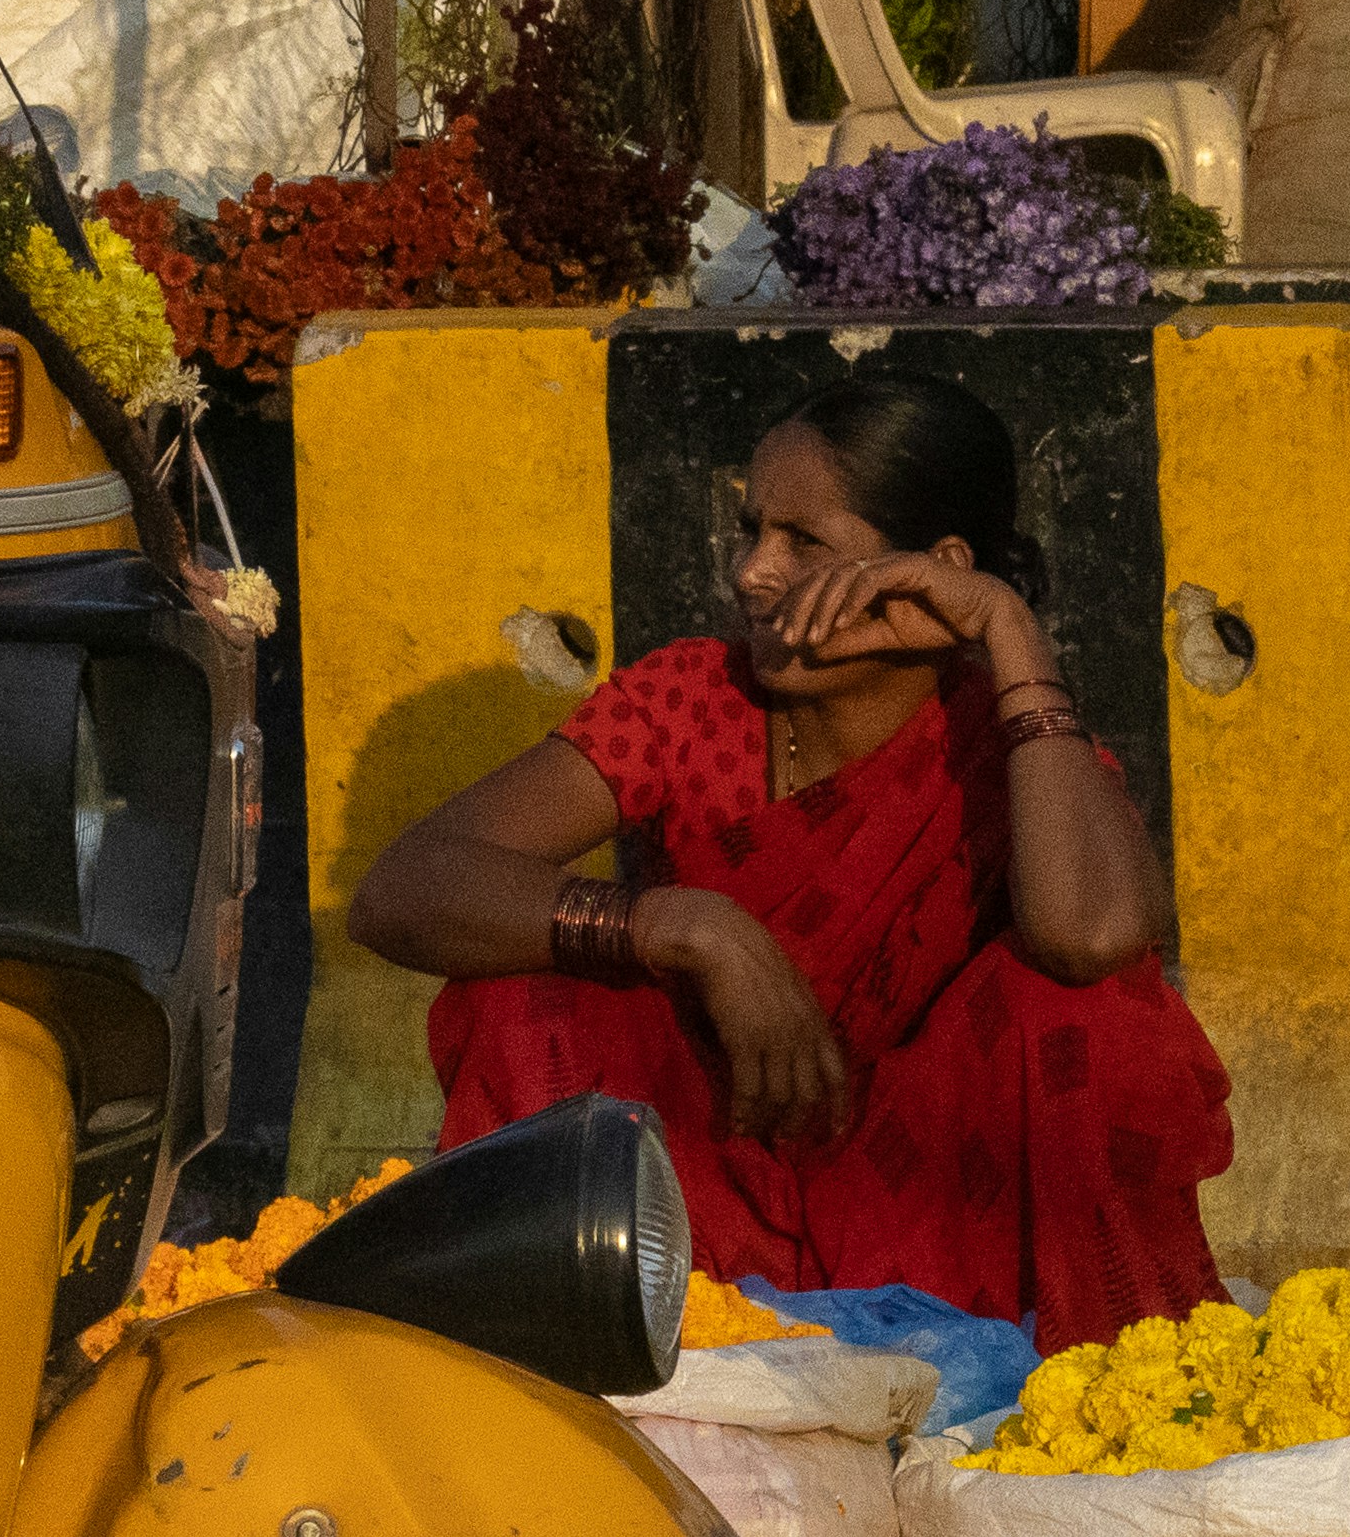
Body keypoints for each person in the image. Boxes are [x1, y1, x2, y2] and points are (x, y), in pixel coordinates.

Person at [351, 369, 1231, 1345]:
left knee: (1079, 1009)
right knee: (520, 989)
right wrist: (684, 922)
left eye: (802, 542)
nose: (751, 573)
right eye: (750, 532)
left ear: (936, 567)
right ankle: (564, 1348)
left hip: (933, 1206)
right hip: (703, 1181)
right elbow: (404, 890)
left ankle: (1093, 1364)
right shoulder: (690, 700)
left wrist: (1011, 632)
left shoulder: (1003, 745)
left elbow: (1094, 938)